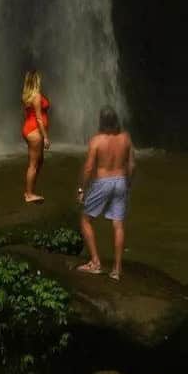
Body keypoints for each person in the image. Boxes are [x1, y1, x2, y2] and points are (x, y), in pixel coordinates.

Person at [76, 107, 134, 280]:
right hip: (121, 181)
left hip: (102, 182)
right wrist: (128, 183)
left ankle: (95, 263)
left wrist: (81, 189)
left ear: (101, 121)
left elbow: (88, 168)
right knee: (118, 225)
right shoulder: (126, 138)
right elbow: (132, 165)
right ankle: (116, 270)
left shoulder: (96, 140)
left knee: (85, 220)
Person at [21, 70, 50, 203]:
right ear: (36, 81)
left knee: (39, 161)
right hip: (35, 131)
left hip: (28, 128)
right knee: (33, 164)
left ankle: (29, 189)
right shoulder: (37, 96)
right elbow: (38, 118)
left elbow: (27, 114)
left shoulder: (27, 96)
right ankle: (29, 194)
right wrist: (45, 137)